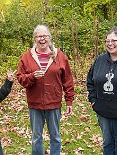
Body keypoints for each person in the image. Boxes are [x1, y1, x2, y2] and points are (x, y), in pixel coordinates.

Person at [17, 24, 75, 155]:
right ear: (34, 39)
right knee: (36, 137)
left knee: (55, 135)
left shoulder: (60, 56)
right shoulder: (27, 57)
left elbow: (68, 80)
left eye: (44, 36)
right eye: (38, 36)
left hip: (53, 103)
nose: (42, 39)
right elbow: (20, 78)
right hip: (35, 104)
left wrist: (69, 100)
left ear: (49, 37)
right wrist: (31, 76)